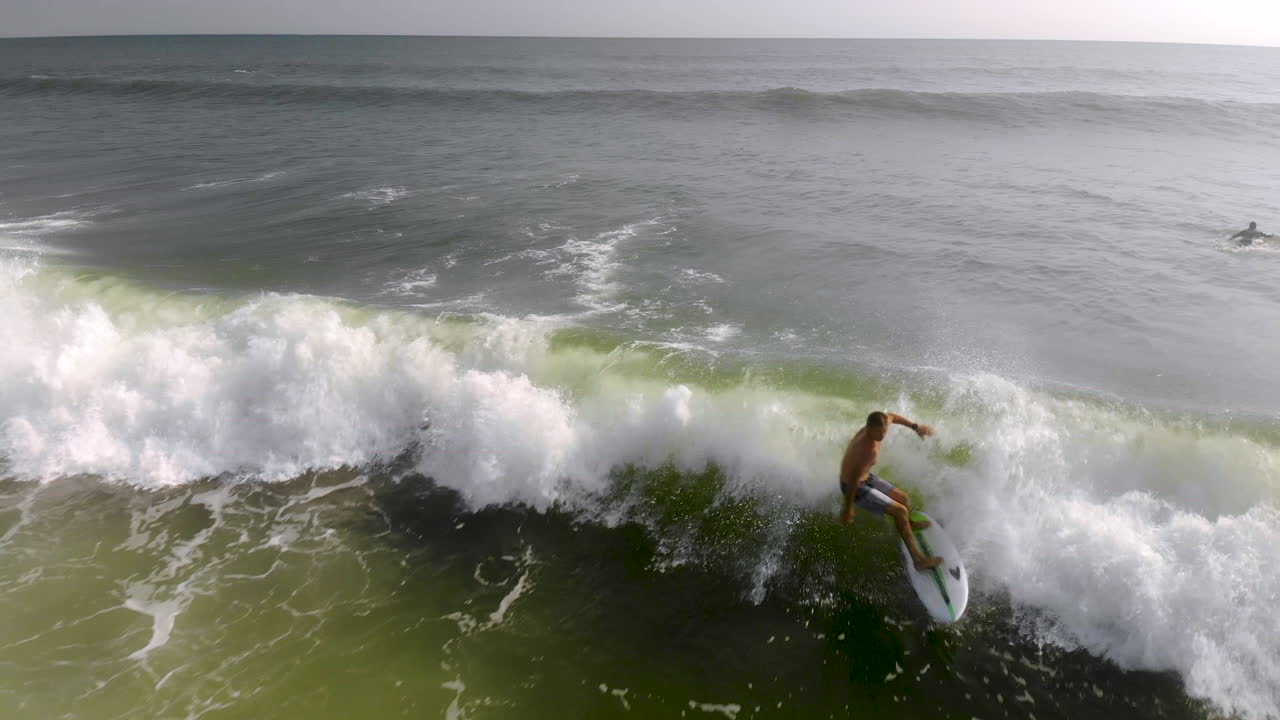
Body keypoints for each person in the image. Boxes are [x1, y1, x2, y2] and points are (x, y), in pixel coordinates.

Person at [839, 411, 942, 570]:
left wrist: (916, 427)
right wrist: (848, 508)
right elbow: (853, 479)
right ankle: (918, 560)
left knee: (904, 499)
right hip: (855, 487)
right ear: (868, 428)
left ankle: (909, 525)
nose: (882, 435)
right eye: (878, 432)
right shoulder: (866, 449)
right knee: (900, 511)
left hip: (865, 477)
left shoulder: (881, 424)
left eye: (884, 431)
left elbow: (892, 416)